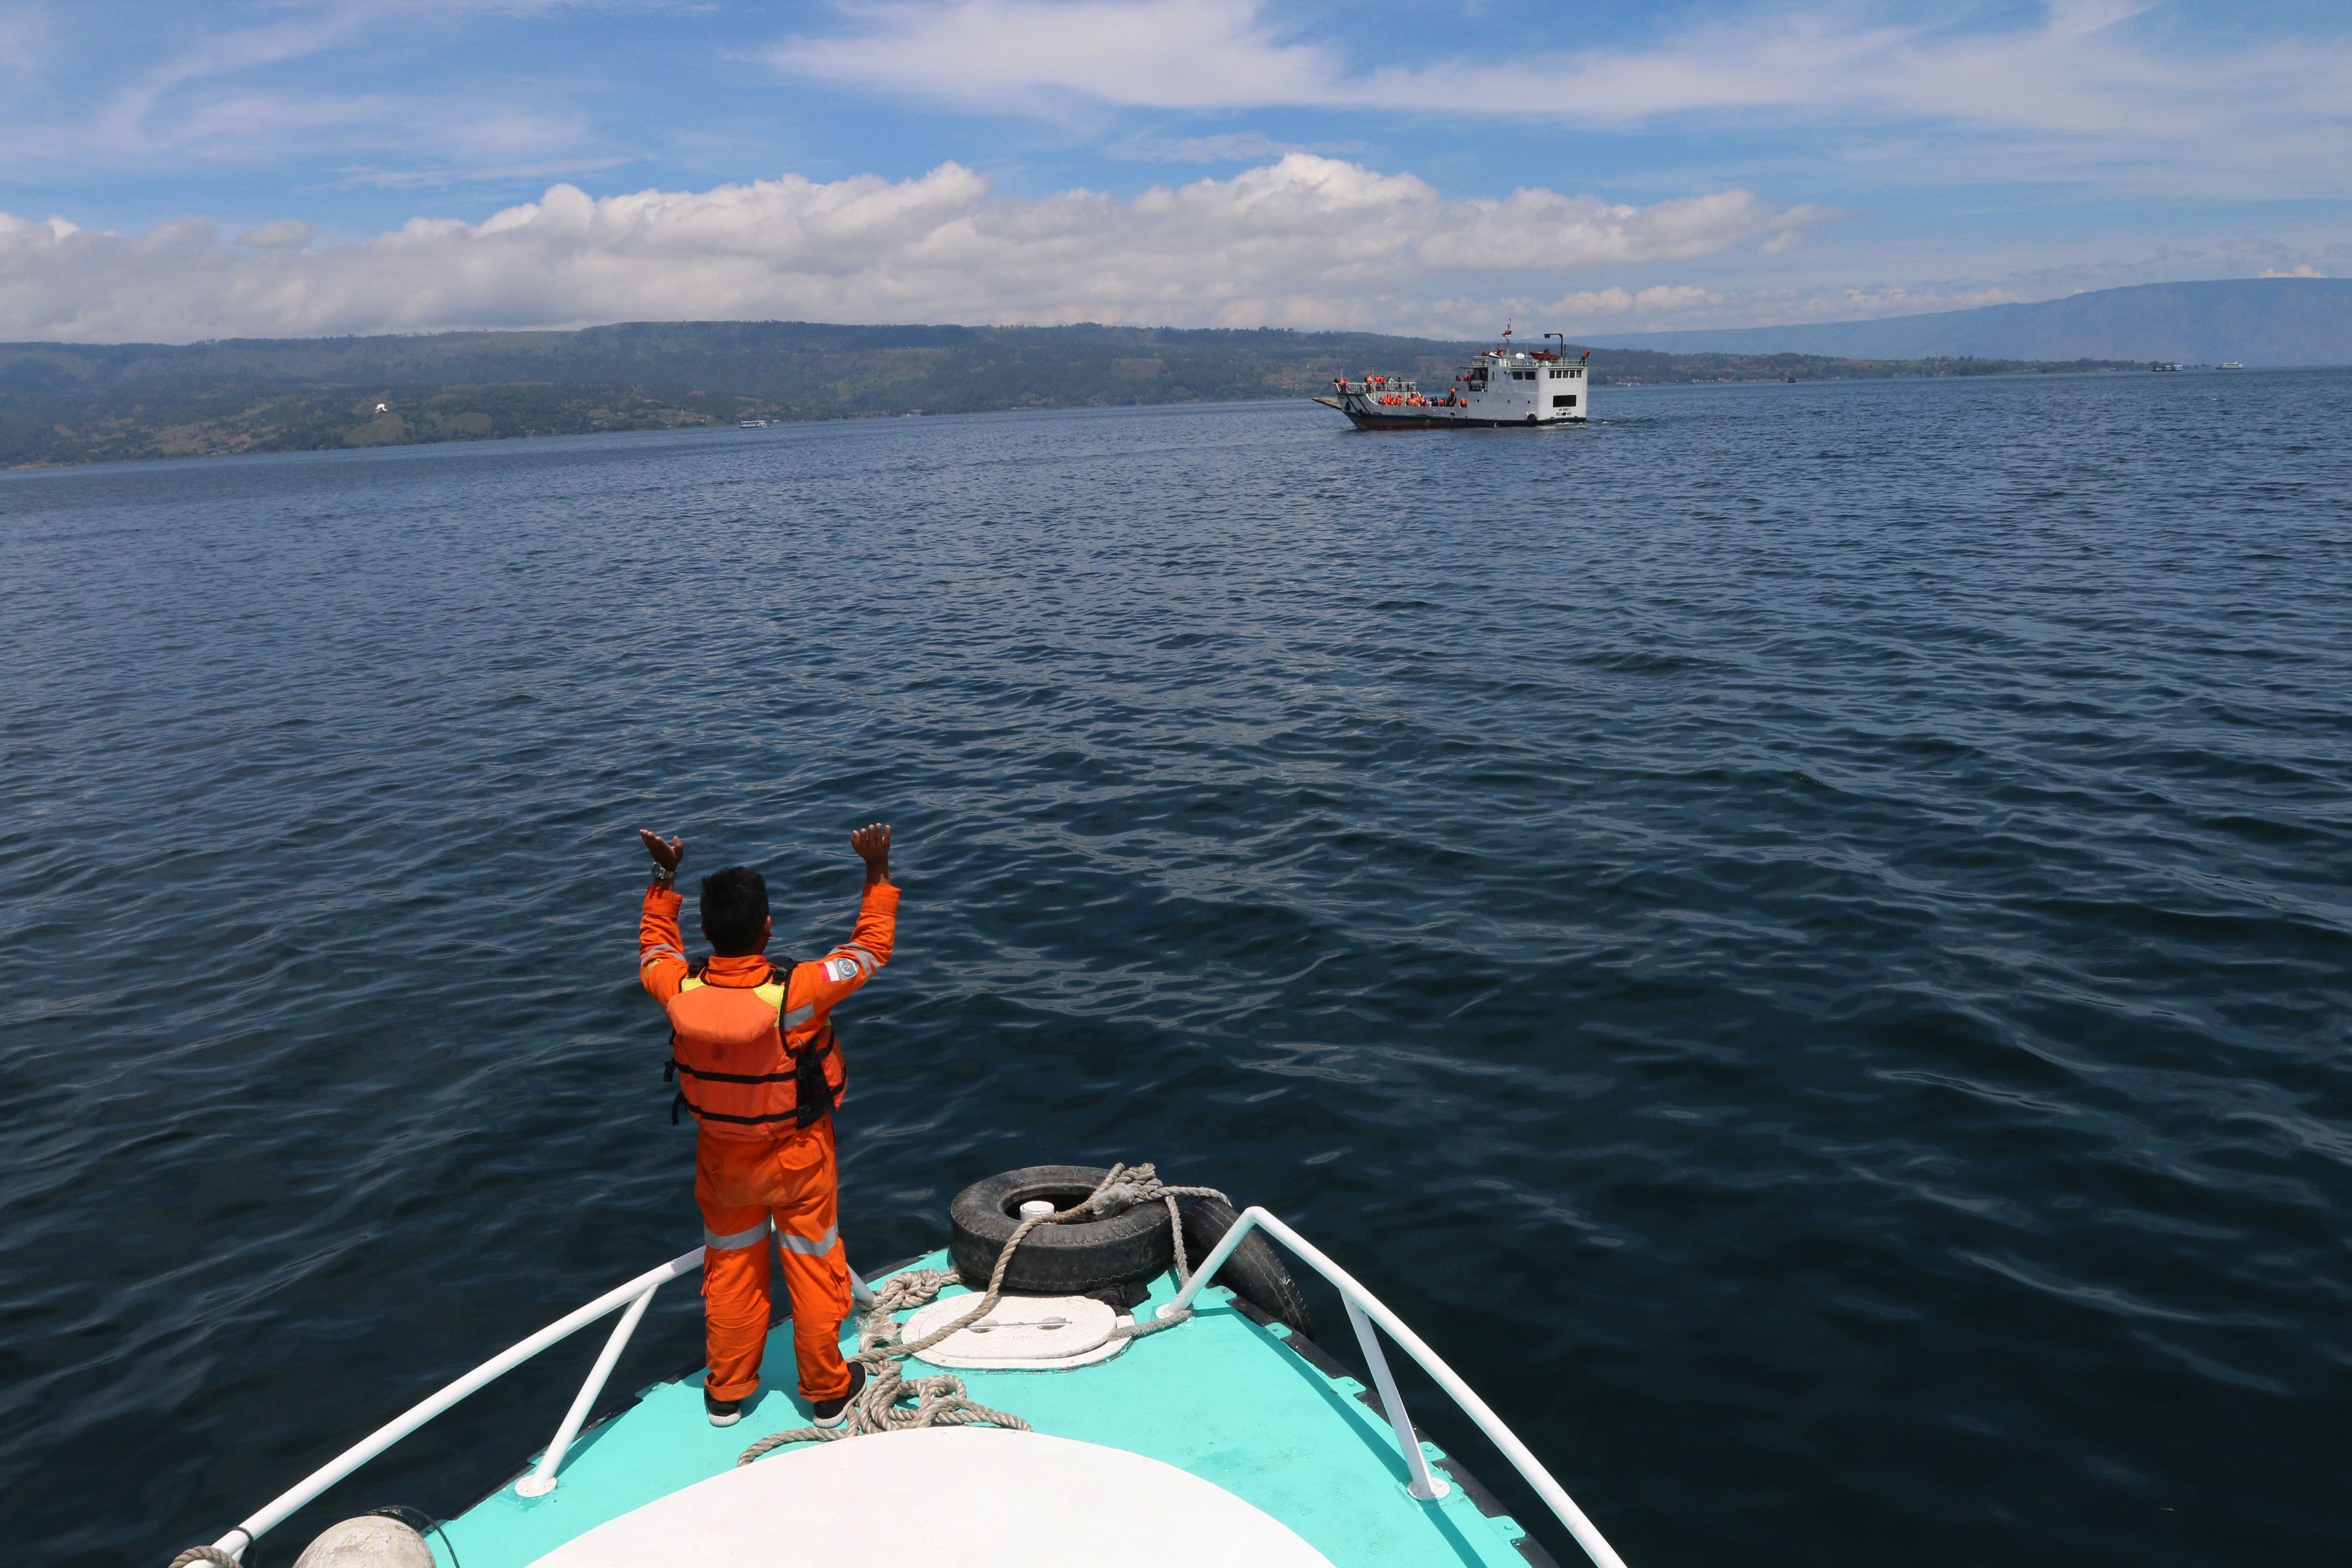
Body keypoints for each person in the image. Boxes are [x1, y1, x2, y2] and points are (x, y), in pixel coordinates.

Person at [635, 822, 898, 1427]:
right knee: (812, 1265)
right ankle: (828, 1392)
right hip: (799, 1156)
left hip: (723, 1160)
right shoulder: (799, 993)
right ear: (768, 928)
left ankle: (727, 1392)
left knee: (730, 1268)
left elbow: (654, 945)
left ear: (704, 931)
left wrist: (663, 879)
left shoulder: (676, 987)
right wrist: (876, 873)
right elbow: (869, 951)